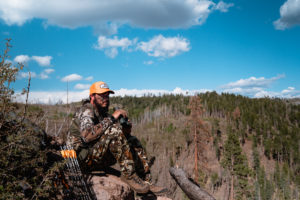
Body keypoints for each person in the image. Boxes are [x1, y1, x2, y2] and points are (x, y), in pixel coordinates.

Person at [69, 81, 166, 195]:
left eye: (107, 95)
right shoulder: (86, 110)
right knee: (113, 130)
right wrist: (113, 118)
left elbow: (116, 139)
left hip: (94, 156)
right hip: (79, 158)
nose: (105, 98)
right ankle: (129, 176)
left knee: (132, 140)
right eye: (102, 95)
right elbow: (86, 136)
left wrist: (126, 129)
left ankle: (145, 182)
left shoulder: (102, 113)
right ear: (92, 96)